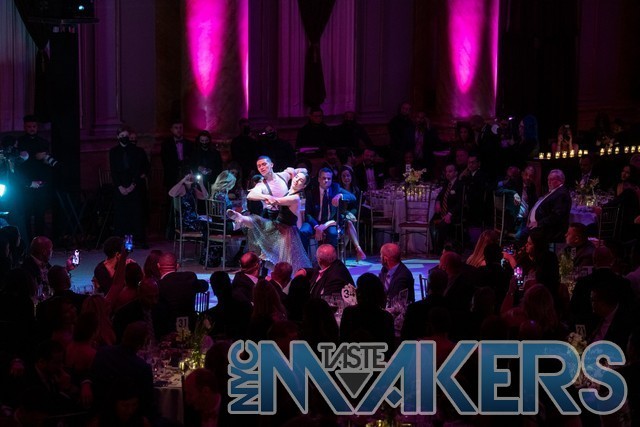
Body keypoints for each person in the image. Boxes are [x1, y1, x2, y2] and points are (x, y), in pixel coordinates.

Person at [228, 172, 312, 272]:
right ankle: (240, 218)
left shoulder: (295, 198)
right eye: (296, 177)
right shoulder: (289, 192)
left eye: (301, 180)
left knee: (285, 262)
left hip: (286, 232)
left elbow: (277, 201)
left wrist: (267, 197)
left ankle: (240, 219)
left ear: (304, 186)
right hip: (277, 226)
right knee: (257, 220)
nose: (297, 180)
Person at [300, 167, 356, 250]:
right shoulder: (311, 191)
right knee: (303, 231)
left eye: (329, 178)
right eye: (324, 178)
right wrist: (317, 227)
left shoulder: (336, 188)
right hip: (314, 222)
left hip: (329, 222)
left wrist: (340, 195)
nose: (326, 180)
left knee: (333, 233)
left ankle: (330, 256)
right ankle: (303, 257)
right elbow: (307, 214)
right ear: (319, 179)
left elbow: (353, 197)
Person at [109, 127, 144, 243]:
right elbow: (113, 171)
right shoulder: (113, 152)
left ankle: (137, 239)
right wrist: (119, 186)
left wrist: (132, 185)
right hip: (120, 185)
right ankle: (120, 239)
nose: (125, 138)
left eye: (126, 136)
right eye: (122, 136)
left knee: (135, 212)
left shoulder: (135, 151)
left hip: (133, 184)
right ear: (118, 137)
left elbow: (137, 169)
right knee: (121, 213)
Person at [247, 156, 306, 220]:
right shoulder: (261, 185)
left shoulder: (282, 175)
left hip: (287, 216)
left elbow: (304, 170)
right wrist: (267, 197)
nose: (261, 167)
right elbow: (250, 195)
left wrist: (293, 172)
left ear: (271, 165)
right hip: (273, 220)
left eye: (264, 164)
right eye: (259, 166)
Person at [524, 169, 572, 243]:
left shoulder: (562, 194)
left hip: (548, 230)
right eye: (548, 179)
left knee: (521, 236)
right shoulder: (554, 191)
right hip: (539, 226)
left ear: (561, 180)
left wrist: (538, 223)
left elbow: (557, 216)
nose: (548, 182)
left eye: (552, 179)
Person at [430, 164, 464, 254]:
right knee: (431, 223)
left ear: (456, 173)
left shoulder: (459, 185)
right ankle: (435, 247)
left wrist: (450, 214)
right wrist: (437, 202)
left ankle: (440, 249)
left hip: (454, 214)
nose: (447, 174)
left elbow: (460, 203)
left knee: (442, 225)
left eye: (450, 171)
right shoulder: (447, 183)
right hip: (443, 212)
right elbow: (440, 195)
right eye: (446, 172)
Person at [336, 166, 367, 261]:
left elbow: (356, 207)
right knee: (348, 224)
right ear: (340, 177)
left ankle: (340, 254)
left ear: (351, 177)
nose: (346, 178)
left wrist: (351, 213)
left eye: (348, 176)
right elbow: (338, 208)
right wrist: (347, 214)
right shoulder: (338, 190)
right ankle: (358, 249)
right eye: (344, 176)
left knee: (349, 224)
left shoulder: (356, 190)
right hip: (340, 215)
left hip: (353, 216)